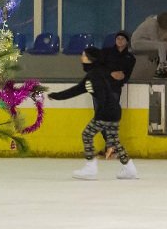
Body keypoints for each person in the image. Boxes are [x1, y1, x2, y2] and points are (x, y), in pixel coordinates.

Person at [47, 47, 138, 180]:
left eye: (83, 55)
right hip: (114, 110)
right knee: (114, 140)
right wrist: (56, 96)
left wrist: (100, 114)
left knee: (87, 134)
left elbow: (102, 96)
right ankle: (129, 168)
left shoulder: (94, 75)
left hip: (106, 111)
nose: (81, 57)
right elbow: (76, 90)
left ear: (90, 59)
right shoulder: (97, 73)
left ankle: (90, 167)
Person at [100, 30, 136, 159]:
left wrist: (121, 77)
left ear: (127, 41)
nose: (120, 40)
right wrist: (111, 74)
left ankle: (110, 147)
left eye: (122, 38)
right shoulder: (107, 53)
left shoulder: (130, 58)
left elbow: (127, 75)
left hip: (114, 89)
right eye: (118, 38)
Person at [131, 13, 167, 78]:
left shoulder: (154, 22)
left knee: (164, 44)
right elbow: (155, 40)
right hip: (137, 43)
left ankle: (162, 64)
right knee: (161, 45)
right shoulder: (152, 24)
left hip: (143, 41)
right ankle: (162, 67)